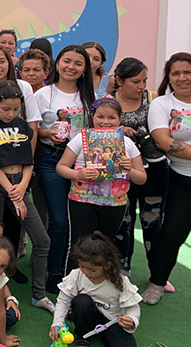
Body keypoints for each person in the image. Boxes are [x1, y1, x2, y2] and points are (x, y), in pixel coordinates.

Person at [0, 81, 53, 313]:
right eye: (6, 108)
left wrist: (22, 188)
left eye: (16, 109)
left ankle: (39, 294)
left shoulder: (23, 126)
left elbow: (29, 161)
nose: (11, 114)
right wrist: (13, 191)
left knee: (42, 240)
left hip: (19, 184)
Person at [56, 97, 146, 270]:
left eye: (112, 117)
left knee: (104, 246)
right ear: (92, 117)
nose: (105, 122)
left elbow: (141, 178)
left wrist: (129, 169)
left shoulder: (127, 143)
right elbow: (61, 167)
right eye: (100, 117)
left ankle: (98, 283)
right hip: (83, 201)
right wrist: (78, 174)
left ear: (120, 119)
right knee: (79, 245)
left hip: (115, 204)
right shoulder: (81, 139)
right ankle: (72, 283)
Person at [34, 45, 95, 291]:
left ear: (85, 69)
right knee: (58, 220)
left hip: (83, 162)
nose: (71, 67)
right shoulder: (43, 94)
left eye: (78, 63)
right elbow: (32, 129)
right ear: (57, 64)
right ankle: (54, 271)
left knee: (80, 220)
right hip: (50, 159)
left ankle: (76, 270)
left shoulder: (90, 96)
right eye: (66, 61)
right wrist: (47, 133)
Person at [139, 53, 191, 304]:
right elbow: (163, 141)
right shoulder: (161, 104)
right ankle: (157, 282)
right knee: (171, 234)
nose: (182, 78)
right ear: (168, 78)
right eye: (175, 73)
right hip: (181, 178)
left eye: (187, 72)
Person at [111, 58, 171, 277]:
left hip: (154, 170)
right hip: (122, 171)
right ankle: (122, 272)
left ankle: (157, 274)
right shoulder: (107, 102)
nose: (141, 86)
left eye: (144, 81)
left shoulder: (153, 100)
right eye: (135, 81)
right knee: (123, 222)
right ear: (119, 80)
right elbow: (96, 130)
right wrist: (119, 129)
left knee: (152, 221)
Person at [50, 233, 141, 347]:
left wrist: (132, 319)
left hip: (111, 321)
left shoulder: (119, 281)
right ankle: (83, 337)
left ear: (107, 265)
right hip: (87, 315)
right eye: (82, 266)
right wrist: (57, 324)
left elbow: (133, 307)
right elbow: (63, 300)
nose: (86, 272)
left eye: (92, 270)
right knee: (82, 301)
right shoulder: (76, 275)